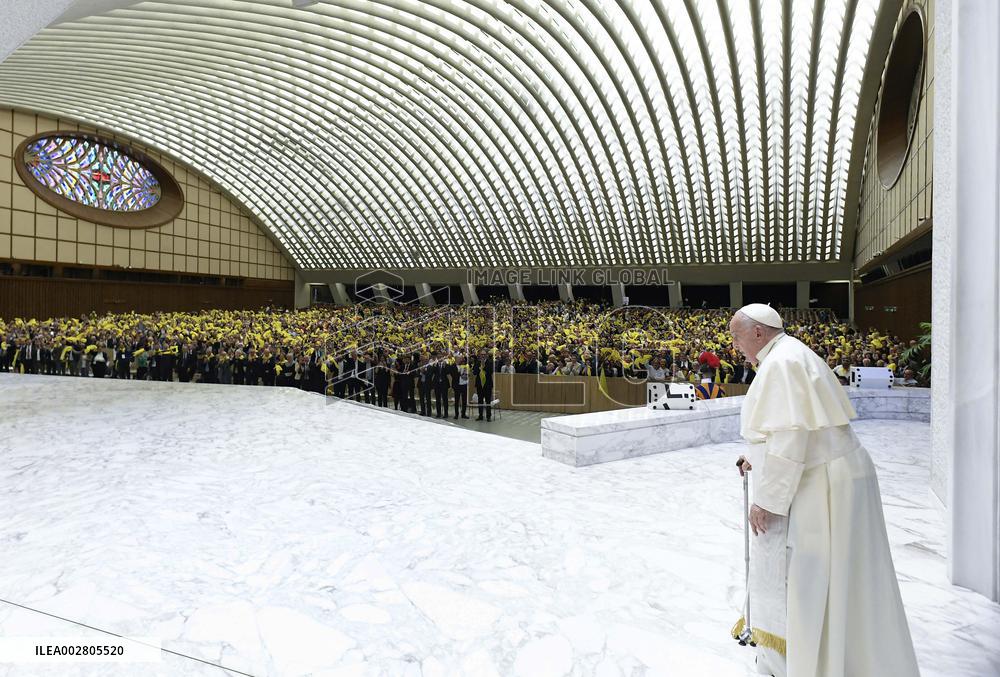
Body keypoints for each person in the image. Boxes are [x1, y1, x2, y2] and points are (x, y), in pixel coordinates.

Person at [729, 303, 918, 677]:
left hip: (827, 484)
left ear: (757, 332)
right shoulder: (790, 353)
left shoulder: (781, 362)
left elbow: (790, 437)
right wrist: (757, 457)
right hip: (835, 473)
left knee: (814, 574)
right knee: (844, 578)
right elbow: (794, 430)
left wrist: (766, 501)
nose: (733, 346)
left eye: (736, 337)